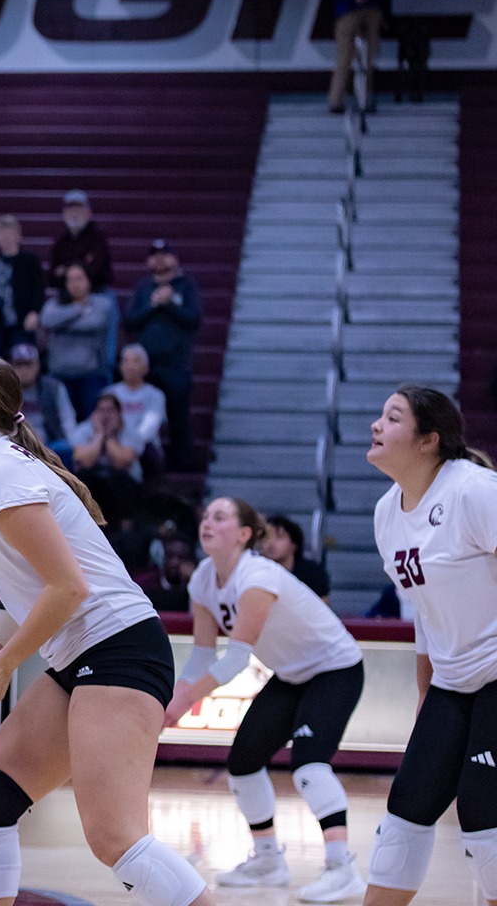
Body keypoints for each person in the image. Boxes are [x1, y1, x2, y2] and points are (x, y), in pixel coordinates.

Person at [0, 352, 212, 906]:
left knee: (115, 838)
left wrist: (3, 665)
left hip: (119, 649)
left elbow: (68, 588)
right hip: (83, 657)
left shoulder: (2, 473)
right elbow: (18, 598)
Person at [164, 497, 367, 902]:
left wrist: (182, 702)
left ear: (243, 534)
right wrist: (173, 697)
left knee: (309, 766)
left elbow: (237, 657)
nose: (207, 522)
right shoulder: (203, 578)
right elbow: (203, 654)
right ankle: (269, 859)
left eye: (219, 517)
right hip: (291, 675)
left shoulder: (257, 575)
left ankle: (342, 867)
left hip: (335, 669)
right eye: (205, 516)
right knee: (242, 764)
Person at [359, 386, 497, 906]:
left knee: (486, 822)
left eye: (392, 418)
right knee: (405, 815)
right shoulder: (385, 515)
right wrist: (425, 696)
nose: (375, 425)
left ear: (428, 441)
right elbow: (423, 610)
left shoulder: (475, 492)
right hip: (452, 682)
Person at [127, 241, 203, 471]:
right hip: (146, 365)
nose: (159, 259)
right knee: (142, 414)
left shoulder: (186, 286)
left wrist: (170, 304)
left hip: (175, 364)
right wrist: (153, 304)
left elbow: (193, 319)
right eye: (154, 255)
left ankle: (181, 463)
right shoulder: (143, 288)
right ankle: (143, 460)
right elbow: (130, 320)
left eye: (165, 254)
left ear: (175, 258)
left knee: (178, 415)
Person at [42, 263, 116, 418]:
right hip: (60, 375)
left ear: (89, 280)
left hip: (91, 375)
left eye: (79, 279)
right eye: (70, 280)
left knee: (91, 421)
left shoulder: (103, 303)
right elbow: (47, 320)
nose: (74, 284)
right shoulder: (54, 304)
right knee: (61, 423)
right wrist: (78, 309)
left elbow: (93, 322)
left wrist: (62, 322)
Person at [0, 215, 46, 360]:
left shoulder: (29, 261)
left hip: (21, 321)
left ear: (19, 235)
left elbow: (38, 288)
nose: (6, 237)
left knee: (21, 361)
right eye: (2, 233)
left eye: (10, 232)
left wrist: (35, 312)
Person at [69, 393, 143, 521]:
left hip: (124, 482)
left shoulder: (131, 432)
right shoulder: (83, 430)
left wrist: (108, 436)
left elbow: (121, 462)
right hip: (94, 480)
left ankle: (125, 527)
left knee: (120, 480)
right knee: (84, 479)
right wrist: (99, 435)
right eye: (101, 410)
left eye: (110, 410)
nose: (105, 415)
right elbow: (85, 462)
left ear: (119, 413)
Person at [12, 343, 78, 464]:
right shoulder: (6, 390)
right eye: (19, 365)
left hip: (50, 443)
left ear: (37, 366)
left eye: (28, 364)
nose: (24, 370)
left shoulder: (54, 388)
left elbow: (68, 419)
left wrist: (71, 443)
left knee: (65, 449)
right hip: (16, 442)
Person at [104, 345, 167, 466]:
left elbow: (148, 430)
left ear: (146, 368)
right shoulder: (109, 393)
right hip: (113, 442)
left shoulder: (155, 395)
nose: (130, 366)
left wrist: (127, 444)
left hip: (144, 448)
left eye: (136, 361)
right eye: (126, 361)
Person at [49, 190, 114, 293]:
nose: (75, 213)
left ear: (89, 212)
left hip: (97, 293)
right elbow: (53, 274)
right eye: (71, 209)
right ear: (64, 213)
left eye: (79, 209)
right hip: (67, 296)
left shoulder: (98, 238)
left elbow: (96, 271)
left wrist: (66, 268)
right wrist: (82, 263)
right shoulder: (60, 241)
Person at [259, 515, 331, 600]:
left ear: (294, 544)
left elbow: (323, 606)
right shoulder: (257, 571)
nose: (271, 543)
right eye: (266, 537)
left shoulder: (313, 572)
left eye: (279, 537)